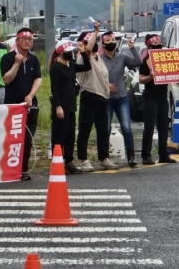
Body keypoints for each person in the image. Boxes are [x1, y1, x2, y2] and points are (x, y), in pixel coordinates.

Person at [0, 28, 43, 180]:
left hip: (30, 105)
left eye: (30, 39)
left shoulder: (34, 59)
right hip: (13, 106)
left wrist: (31, 95)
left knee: (28, 139)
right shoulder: (7, 58)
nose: (27, 41)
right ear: (17, 41)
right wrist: (17, 64)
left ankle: (23, 169)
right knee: (13, 139)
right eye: (23, 38)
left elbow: (38, 78)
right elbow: (6, 79)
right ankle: (11, 169)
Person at [76, 22, 119, 171]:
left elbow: (101, 76)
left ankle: (104, 158)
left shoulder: (98, 58)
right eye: (90, 40)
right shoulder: (84, 57)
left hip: (102, 98)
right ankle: (83, 159)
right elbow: (88, 49)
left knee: (102, 130)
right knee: (85, 128)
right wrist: (95, 31)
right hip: (89, 95)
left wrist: (106, 87)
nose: (94, 43)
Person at [48, 39, 91, 175]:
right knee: (59, 135)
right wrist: (58, 106)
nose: (71, 53)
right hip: (61, 106)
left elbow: (87, 66)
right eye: (68, 51)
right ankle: (57, 162)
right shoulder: (56, 68)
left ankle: (68, 161)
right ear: (60, 53)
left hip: (71, 105)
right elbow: (54, 89)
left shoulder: (70, 65)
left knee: (70, 136)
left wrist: (83, 52)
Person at [100, 31, 142, 167]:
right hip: (106, 99)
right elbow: (94, 76)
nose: (112, 42)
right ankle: (105, 158)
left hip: (122, 97)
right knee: (105, 128)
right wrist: (105, 85)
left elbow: (138, 61)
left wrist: (132, 47)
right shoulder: (99, 59)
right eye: (108, 41)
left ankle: (131, 157)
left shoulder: (122, 57)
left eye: (113, 40)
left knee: (126, 127)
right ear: (103, 44)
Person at [139, 34, 177, 164]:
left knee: (163, 126)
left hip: (162, 97)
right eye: (154, 45)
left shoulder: (167, 59)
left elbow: (176, 73)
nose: (157, 47)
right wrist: (150, 77)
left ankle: (163, 154)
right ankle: (146, 155)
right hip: (150, 97)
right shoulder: (146, 61)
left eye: (159, 44)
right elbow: (141, 79)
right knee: (149, 127)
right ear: (149, 47)